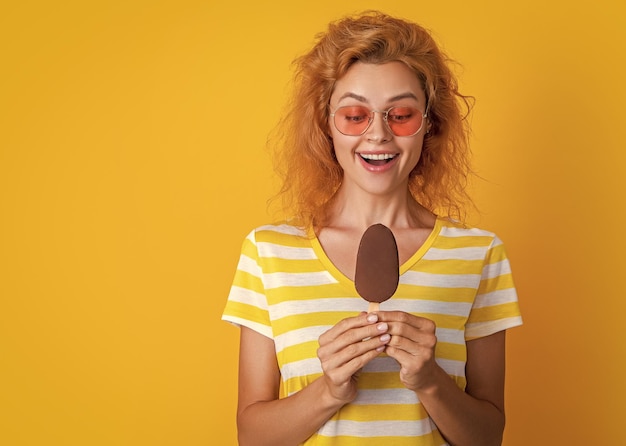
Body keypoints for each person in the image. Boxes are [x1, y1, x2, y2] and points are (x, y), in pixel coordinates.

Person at [222, 10, 522, 446]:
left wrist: (429, 381)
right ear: (327, 125)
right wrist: (330, 390)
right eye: (354, 115)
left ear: (429, 125)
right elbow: (252, 437)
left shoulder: (479, 255)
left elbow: (487, 438)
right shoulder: (269, 253)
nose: (377, 134)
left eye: (400, 114)